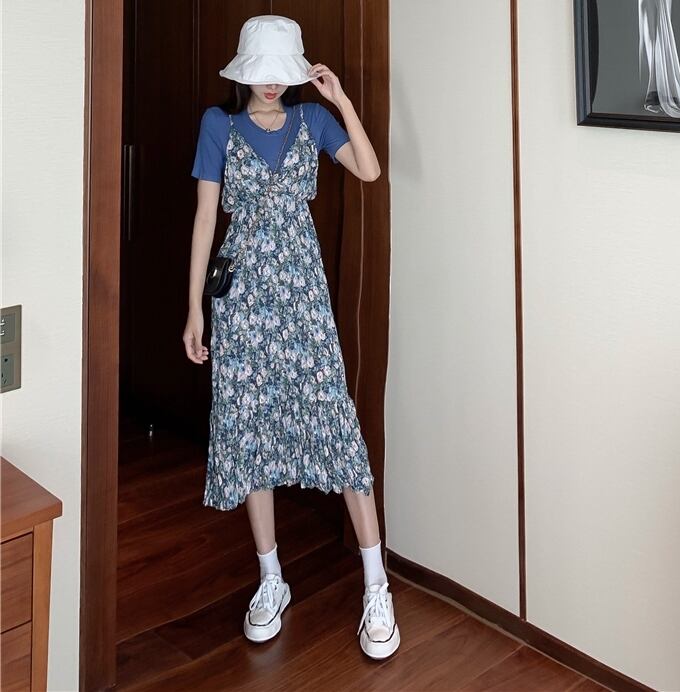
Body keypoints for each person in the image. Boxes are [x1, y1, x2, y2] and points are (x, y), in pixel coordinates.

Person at [182, 15, 400, 660]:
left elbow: (369, 170)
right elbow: (204, 219)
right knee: (252, 428)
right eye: (262, 72)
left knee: (336, 421)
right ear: (243, 72)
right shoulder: (219, 126)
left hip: (304, 298)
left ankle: (376, 585)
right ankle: (271, 578)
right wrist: (194, 310)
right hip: (243, 300)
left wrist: (342, 100)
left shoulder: (313, 120)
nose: (272, 84)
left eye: (283, 72)